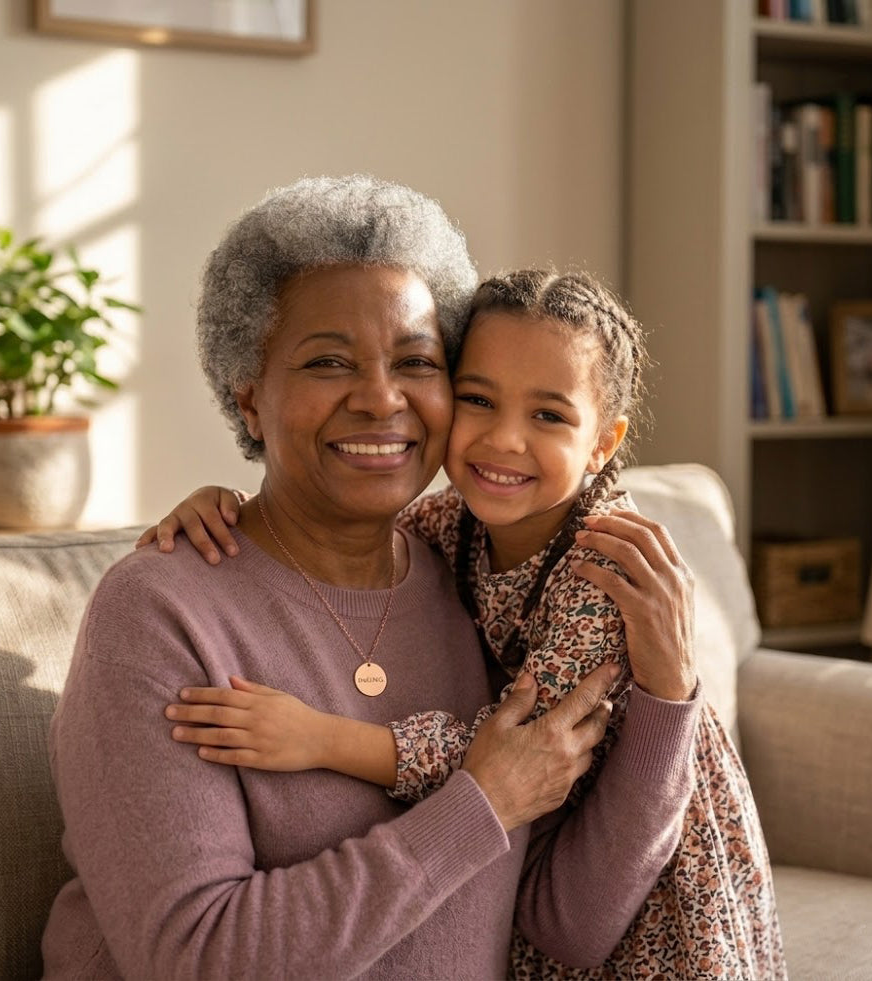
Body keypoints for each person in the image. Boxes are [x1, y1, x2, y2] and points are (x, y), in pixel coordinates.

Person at [42, 175, 703, 980]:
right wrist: (479, 803)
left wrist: (667, 699)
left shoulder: (469, 583)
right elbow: (198, 956)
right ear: (248, 397)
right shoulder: (158, 611)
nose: (380, 398)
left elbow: (569, 923)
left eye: (416, 362)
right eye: (327, 361)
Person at [143, 267, 786, 980]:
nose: (503, 440)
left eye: (547, 415)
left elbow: (518, 753)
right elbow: (327, 522)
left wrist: (320, 737)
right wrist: (227, 501)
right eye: (478, 399)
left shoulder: (606, 574)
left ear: (603, 442)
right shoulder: (449, 524)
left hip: (656, 905)